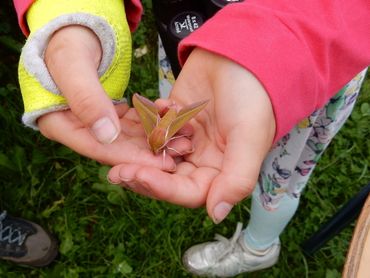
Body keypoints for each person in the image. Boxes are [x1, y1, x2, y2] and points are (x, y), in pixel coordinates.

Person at [12, 0, 370, 276]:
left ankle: (258, 247)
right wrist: (72, 10)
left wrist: (275, 49)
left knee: (281, 176)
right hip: (194, 43)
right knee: (203, 136)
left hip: (314, 59)